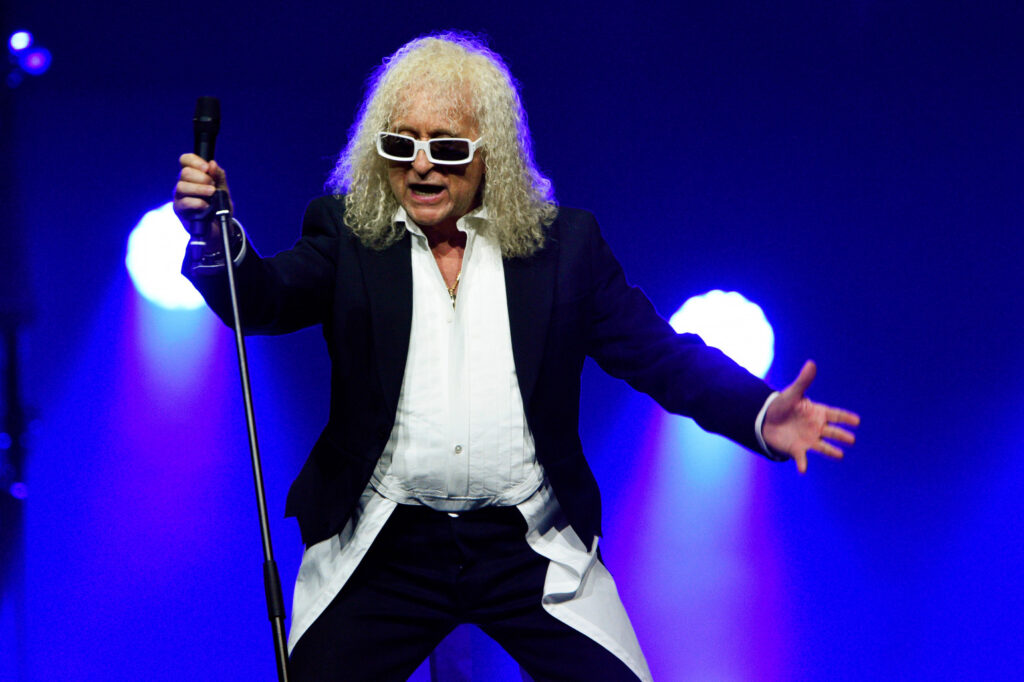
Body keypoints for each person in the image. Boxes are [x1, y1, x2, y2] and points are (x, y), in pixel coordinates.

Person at [174, 32, 859, 682]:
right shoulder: (349, 236)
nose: (420, 165)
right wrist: (213, 234)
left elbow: (658, 355)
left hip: (527, 544)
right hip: (385, 545)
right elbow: (262, 298)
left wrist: (759, 413)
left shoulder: (563, 249)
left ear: (490, 152)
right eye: (400, 144)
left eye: (446, 146)